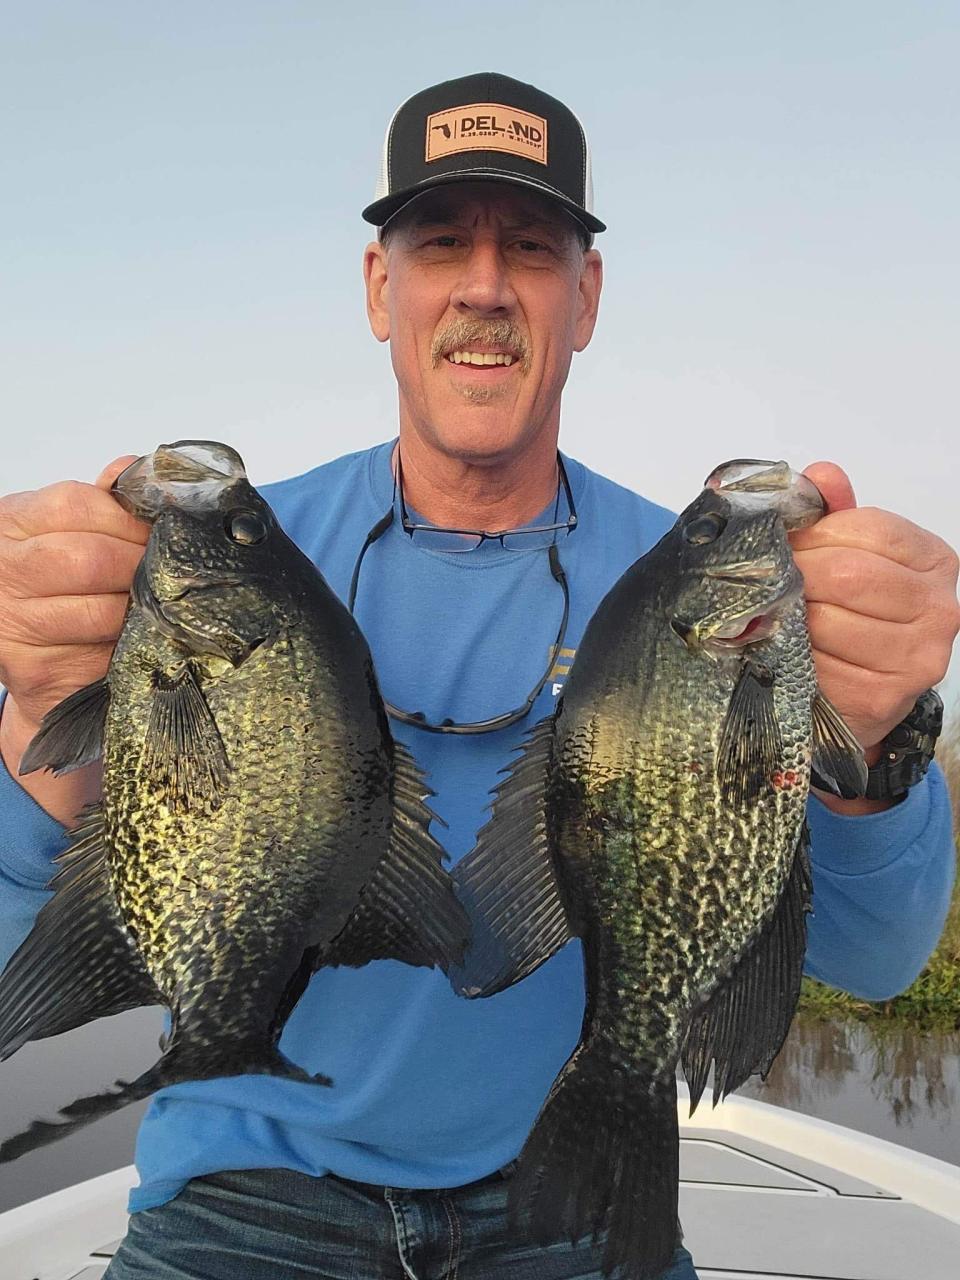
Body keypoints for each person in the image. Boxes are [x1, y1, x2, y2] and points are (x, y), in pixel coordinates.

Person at [0, 72, 957, 1280]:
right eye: (442, 241)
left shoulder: (694, 586)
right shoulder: (228, 561)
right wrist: (35, 712)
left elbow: (875, 961)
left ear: (587, 296)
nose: (487, 285)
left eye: (535, 248)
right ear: (379, 289)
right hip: (246, 1186)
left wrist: (878, 736)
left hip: (568, 1191)